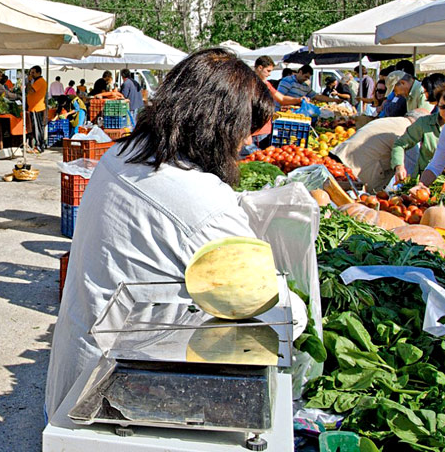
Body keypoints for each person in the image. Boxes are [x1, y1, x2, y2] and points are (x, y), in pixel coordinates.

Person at [44, 49, 274, 418]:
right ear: (218, 124)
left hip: (81, 363)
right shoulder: (201, 199)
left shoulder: (123, 153)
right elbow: (263, 300)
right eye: (245, 130)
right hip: (125, 389)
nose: (247, 142)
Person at [333, 116, 414, 191]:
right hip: (358, 169)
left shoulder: (391, 120)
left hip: (341, 153)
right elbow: (410, 167)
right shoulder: (408, 132)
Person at [392, 85, 445, 183]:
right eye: (443, 107)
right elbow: (400, 144)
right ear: (437, 104)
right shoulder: (424, 123)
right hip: (423, 182)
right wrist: (399, 166)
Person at [253, 56, 303, 147]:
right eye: (268, 71)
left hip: (265, 128)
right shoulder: (250, 83)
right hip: (255, 131)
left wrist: (298, 100)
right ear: (260, 68)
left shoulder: (266, 84)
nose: (269, 74)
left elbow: (281, 99)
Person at [276, 64, 340, 109]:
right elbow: (280, 97)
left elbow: (317, 96)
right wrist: (298, 100)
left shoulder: (305, 86)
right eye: (305, 76)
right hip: (282, 112)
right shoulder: (287, 80)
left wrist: (334, 100)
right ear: (300, 72)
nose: (306, 79)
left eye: (308, 78)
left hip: (295, 113)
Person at [26, 64, 48, 152]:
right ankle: (39, 145)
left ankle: (39, 146)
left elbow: (30, 91)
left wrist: (28, 81)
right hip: (34, 107)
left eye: (33, 73)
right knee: (37, 127)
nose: (31, 74)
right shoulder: (36, 81)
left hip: (37, 108)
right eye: (30, 73)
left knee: (37, 128)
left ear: (38, 73)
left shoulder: (40, 81)